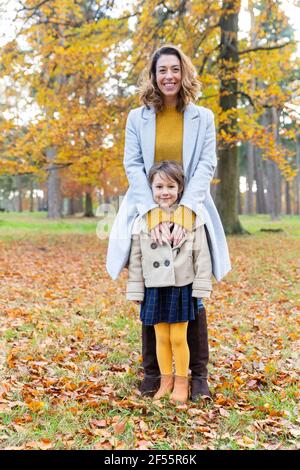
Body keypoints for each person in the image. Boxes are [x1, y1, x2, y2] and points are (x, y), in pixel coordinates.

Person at [106, 44, 231, 400]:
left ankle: (199, 376)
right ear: (154, 75)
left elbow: (206, 165)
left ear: (184, 72)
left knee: (191, 289)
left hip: (191, 207)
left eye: (175, 69)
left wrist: (186, 213)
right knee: (149, 287)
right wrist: (152, 215)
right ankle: (152, 374)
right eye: (162, 70)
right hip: (147, 206)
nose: (169, 76)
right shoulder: (137, 118)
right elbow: (133, 165)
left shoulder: (203, 117)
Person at [126, 161, 212, 403]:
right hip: (154, 287)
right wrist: (135, 288)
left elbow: (201, 255)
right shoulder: (143, 220)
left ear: (181, 188)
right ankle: (166, 381)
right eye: (159, 186)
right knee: (161, 338)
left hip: (181, 287)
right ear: (150, 189)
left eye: (171, 186)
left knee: (178, 338)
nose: (165, 191)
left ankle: (182, 382)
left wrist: (201, 286)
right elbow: (136, 258)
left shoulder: (192, 218)